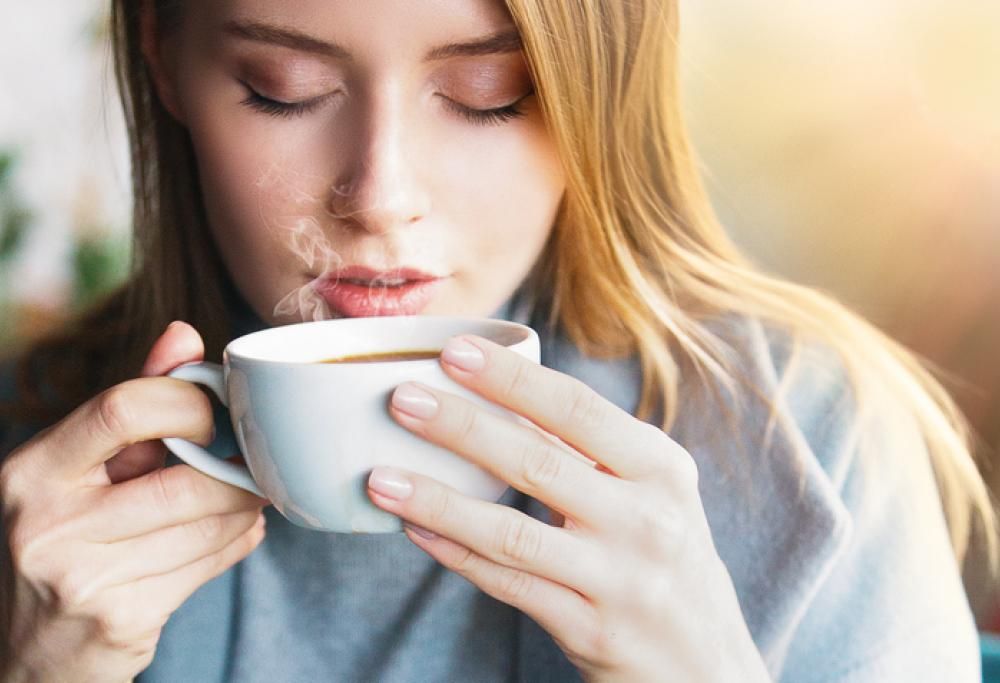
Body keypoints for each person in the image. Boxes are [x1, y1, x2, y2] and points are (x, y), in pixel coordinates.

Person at [0, 1, 990, 680]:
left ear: (595, 95)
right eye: (283, 86)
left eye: (489, 91)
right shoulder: (30, 465)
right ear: (162, 64)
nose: (381, 198)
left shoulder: (812, 436)